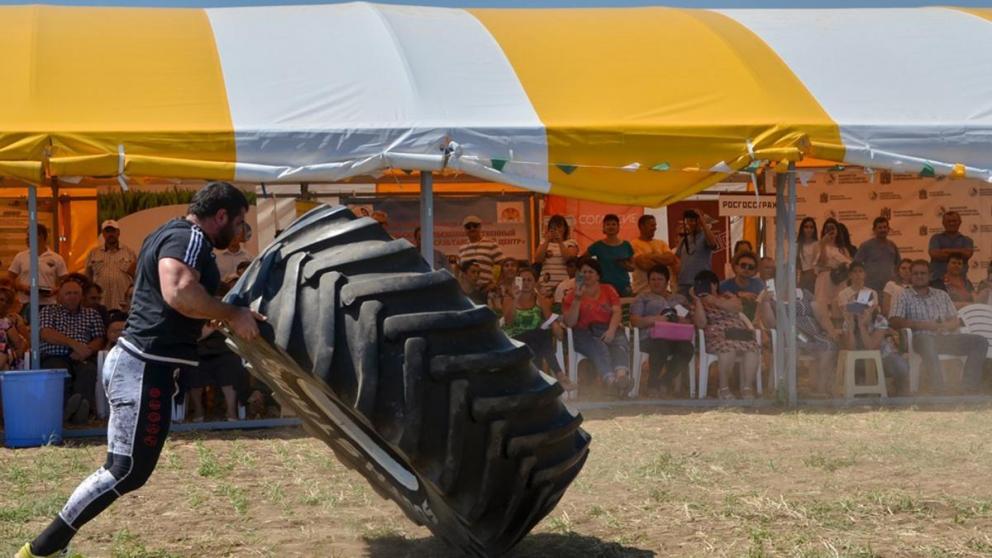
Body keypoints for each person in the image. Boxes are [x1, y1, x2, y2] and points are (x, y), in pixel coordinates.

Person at [18, 181, 263, 558]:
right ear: (221, 216)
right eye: (240, 221)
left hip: (142, 364)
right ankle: (42, 549)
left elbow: (172, 314)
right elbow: (179, 291)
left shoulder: (168, 232)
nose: (240, 230)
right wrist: (231, 311)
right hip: (143, 368)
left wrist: (222, 319)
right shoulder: (192, 238)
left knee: (126, 468)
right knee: (126, 469)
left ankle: (49, 547)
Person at [889, 260, 986, 395]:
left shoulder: (941, 295)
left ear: (930, 275)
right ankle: (939, 388)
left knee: (979, 341)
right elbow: (894, 321)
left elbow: (955, 320)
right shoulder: (903, 295)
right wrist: (923, 325)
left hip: (945, 338)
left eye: (923, 273)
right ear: (910, 276)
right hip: (919, 339)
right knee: (927, 340)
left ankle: (967, 388)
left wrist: (945, 326)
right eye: (915, 273)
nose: (919, 276)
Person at [38, 277, 106, 425]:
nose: (73, 296)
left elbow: (99, 339)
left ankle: (81, 411)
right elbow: (46, 333)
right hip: (54, 355)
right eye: (68, 293)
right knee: (58, 372)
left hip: (82, 356)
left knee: (88, 371)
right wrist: (74, 344)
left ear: (81, 296)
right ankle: (62, 412)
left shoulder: (91, 314)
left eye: (76, 293)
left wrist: (87, 350)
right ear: (59, 296)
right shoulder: (49, 311)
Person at [562, 258, 631, 396]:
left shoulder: (608, 289)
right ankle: (611, 381)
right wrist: (577, 299)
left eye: (590, 272)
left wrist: (611, 330)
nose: (587, 275)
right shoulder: (571, 295)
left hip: (606, 328)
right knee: (600, 346)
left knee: (619, 340)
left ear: (598, 275)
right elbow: (570, 323)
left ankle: (621, 377)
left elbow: (617, 312)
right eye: (583, 272)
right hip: (583, 333)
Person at [758, 285, 838, 398]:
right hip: (788, 334)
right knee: (792, 348)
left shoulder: (804, 293)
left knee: (829, 346)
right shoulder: (769, 296)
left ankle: (821, 388)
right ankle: (788, 389)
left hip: (812, 333)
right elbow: (770, 323)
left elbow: (821, 317)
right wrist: (765, 302)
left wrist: (831, 331)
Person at [691, 270, 759, 400]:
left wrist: (715, 301)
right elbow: (701, 323)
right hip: (717, 335)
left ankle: (747, 387)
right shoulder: (698, 304)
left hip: (738, 333)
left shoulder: (728, 296)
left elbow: (737, 308)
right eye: (698, 284)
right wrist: (698, 301)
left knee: (753, 348)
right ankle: (723, 389)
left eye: (706, 284)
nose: (702, 287)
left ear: (715, 285)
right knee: (728, 348)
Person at [500, 267, 571, 389]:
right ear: (517, 282)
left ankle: (540, 381)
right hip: (514, 340)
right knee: (540, 335)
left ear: (534, 283)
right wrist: (515, 298)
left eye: (529, 280)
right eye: (523, 280)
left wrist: (554, 324)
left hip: (535, 342)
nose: (526, 283)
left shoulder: (539, 299)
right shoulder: (509, 298)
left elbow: (549, 319)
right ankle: (558, 374)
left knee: (541, 336)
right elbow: (508, 321)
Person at [629, 265, 694, 397]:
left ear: (667, 281)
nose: (656, 282)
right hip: (650, 337)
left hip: (676, 337)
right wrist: (657, 320)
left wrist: (676, 319)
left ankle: (664, 381)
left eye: (660, 279)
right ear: (648, 281)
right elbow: (635, 321)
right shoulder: (643, 298)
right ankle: (652, 384)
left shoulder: (679, 299)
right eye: (653, 279)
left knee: (687, 348)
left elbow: (691, 322)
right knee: (661, 344)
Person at [7, 224, 68, 307]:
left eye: (30, 235)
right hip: (26, 303)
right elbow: (10, 278)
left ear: (41, 236)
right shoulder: (20, 256)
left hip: (49, 304)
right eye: (27, 236)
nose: (27, 239)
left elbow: (66, 281)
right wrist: (21, 287)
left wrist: (55, 290)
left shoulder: (57, 258)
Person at [84, 219, 137, 313]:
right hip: (101, 302)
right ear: (103, 234)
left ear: (118, 232)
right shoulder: (93, 253)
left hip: (122, 303)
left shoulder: (130, 253)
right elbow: (88, 278)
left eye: (113, 231)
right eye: (107, 231)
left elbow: (137, 278)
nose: (110, 234)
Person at [585, 214, 634, 296]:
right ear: (603, 228)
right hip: (604, 286)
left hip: (624, 286)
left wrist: (625, 265)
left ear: (618, 227)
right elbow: (583, 259)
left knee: (625, 308)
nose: (611, 227)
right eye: (608, 224)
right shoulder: (598, 245)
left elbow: (633, 267)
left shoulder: (626, 245)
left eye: (614, 224)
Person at [631, 214, 678, 295]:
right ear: (642, 226)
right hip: (641, 291)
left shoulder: (661, 243)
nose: (655, 228)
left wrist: (650, 256)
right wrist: (662, 260)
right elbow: (644, 265)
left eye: (655, 225)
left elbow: (670, 259)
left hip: (662, 292)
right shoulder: (633, 244)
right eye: (652, 225)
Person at [675, 210, 717, 298]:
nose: (692, 223)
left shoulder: (705, 236)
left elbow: (713, 244)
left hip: (701, 282)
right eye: (690, 220)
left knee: (702, 308)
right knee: (682, 310)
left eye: (695, 220)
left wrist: (703, 223)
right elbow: (677, 259)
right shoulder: (684, 239)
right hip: (683, 283)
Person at [854, 217, 901, 294]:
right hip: (869, 286)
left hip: (889, 288)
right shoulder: (866, 245)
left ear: (888, 229)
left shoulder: (892, 245)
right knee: (867, 306)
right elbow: (856, 265)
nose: (883, 230)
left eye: (885, 227)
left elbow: (898, 266)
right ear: (874, 230)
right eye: (880, 228)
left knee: (888, 306)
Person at [535, 215, 579, 296]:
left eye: (559, 227)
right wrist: (547, 240)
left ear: (565, 228)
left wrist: (560, 242)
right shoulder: (543, 243)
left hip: (565, 284)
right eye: (553, 227)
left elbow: (569, 259)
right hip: (546, 284)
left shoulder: (571, 242)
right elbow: (537, 259)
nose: (556, 230)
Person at [458, 215, 504, 289]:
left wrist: (496, 284)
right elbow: (461, 272)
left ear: (480, 227)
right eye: (468, 227)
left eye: (475, 225)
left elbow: (503, 266)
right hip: (467, 291)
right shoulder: (462, 248)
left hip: (486, 289)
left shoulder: (491, 244)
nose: (472, 228)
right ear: (464, 229)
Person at [929, 211, 974, 282]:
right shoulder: (935, 238)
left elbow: (967, 254)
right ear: (943, 223)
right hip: (937, 281)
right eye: (948, 221)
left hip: (960, 282)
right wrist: (960, 252)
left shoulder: (967, 240)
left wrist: (945, 251)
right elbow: (934, 254)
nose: (952, 223)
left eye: (954, 221)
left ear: (960, 222)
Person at [814, 218, 853, 297]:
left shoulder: (842, 249)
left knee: (839, 305)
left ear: (837, 231)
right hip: (824, 281)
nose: (830, 231)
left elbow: (850, 265)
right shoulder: (818, 245)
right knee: (824, 306)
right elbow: (822, 262)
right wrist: (823, 244)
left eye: (833, 228)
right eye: (827, 228)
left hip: (839, 280)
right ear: (824, 230)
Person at [0, 285, 29, 370]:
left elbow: (21, 343)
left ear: (8, 304)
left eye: (1, 300)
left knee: (2, 357)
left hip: (6, 354)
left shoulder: (12, 320)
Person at [797, 217, 820, 292]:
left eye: (811, 227)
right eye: (806, 227)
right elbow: (797, 266)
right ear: (802, 229)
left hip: (815, 277)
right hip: (802, 278)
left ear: (814, 229)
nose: (809, 229)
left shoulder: (818, 244)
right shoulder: (797, 245)